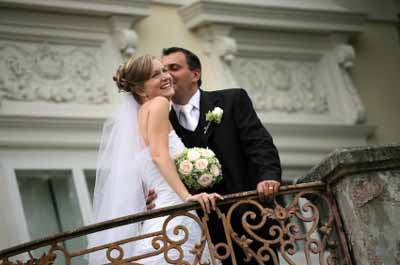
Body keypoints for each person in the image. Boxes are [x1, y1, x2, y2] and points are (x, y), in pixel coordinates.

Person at [146, 47, 282, 264]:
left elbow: (259, 143)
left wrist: (269, 176)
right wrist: (152, 195)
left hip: (250, 217)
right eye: (162, 70)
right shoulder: (163, 122)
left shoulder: (232, 100)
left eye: (174, 68)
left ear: (195, 74)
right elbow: (155, 160)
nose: (167, 75)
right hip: (205, 231)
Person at [88, 55, 223, 264]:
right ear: (142, 90)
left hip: (162, 214)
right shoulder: (159, 104)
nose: (165, 76)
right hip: (175, 216)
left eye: (163, 70)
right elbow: (158, 155)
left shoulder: (141, 116)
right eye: (155, 75)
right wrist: (187, 196)